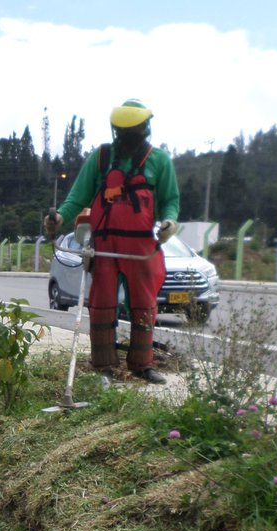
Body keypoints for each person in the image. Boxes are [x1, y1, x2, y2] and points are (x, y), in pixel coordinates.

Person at [45, 99, 179, 384]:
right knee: (102, 304)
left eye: (134, 130)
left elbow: (170, 200)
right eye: (123, 131)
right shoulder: (102, 158)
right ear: (116, 130)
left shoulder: (159, 161)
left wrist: (169, 222)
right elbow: (78, 197)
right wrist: (61, 217)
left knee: (144, 305)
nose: (129, 136)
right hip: (105, 245)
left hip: (141, 247)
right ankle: (104, 365)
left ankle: (142, 365)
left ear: (145, 128)